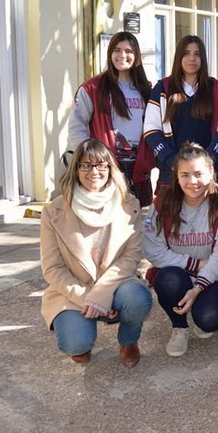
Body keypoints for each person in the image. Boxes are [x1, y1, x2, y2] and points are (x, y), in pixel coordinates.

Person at [40, 139, 153, 367]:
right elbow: (52, 268)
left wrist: (101, 295)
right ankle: (81, 339)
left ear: (111, 169)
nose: (95, 172)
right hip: (74, 291)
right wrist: (86, 298)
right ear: (76, 170)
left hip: (117, 284)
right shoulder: (53, 211)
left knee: (138, 298)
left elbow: (131, 256)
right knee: (75, 344)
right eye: (86, 165)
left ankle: (128, 340)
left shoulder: (128, 203)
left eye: (102, 165)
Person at [142, 143, 218, 357]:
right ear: (176, 175)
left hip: (212, 274)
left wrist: (198, 286)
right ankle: (179, 326)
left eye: (198, 174)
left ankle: (201, 306)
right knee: (168, 280)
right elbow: (153, 250)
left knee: (209, 321)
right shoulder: (162, 203)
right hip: (177, 272)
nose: (192, 182)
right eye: (185, 175)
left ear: (212, 172)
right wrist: (193, 264)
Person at [68, 32, 153, 206]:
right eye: (117, 50)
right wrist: (89, 160)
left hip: (137, 166)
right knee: (105, 215)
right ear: (110, 54)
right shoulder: (93, 88)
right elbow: (77, 126)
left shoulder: (146, 89)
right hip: (105, 165)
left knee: (135, 217)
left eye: (128, 51)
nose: (122, 55)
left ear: (136, 56)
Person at [142, 35, 218, 193]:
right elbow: (151, 129)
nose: (192, 58)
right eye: (186, 53)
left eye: (197, 54)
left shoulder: (217, 89)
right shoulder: (162, 88)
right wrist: (173, 161)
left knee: (213, 217)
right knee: (171, 217)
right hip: (171, 172)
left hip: (210, 171)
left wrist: (208, 160)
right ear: (179, 56)